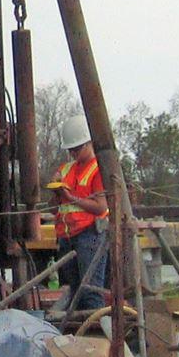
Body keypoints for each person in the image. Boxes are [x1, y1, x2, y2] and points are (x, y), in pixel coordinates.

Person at [49, 115, 109, 313]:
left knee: (90, 291)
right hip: (67, 237)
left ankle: (98, 338)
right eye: (70, 149)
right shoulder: (65, 169)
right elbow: (55, 206)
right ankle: (80, 338)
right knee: (75, 291)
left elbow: (101, 207)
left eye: (76, 149)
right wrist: (57, 194)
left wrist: (69, 196)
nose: (72, 153)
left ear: (87, 143)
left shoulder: (98, 169)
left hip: (90, 236)